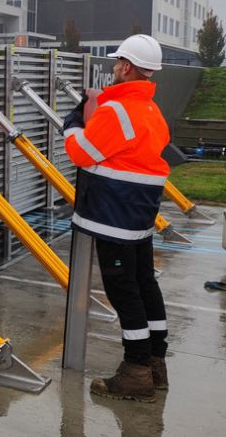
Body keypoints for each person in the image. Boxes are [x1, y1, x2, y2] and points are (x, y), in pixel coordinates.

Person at [62, 34, 170, 402]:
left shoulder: (115, 111)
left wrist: (75, 121)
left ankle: (136, 370)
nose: (113, 69)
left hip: (113, 214)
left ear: (126, 67)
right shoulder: (151, 110)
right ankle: (156, 362)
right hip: (140, 212)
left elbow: (82, 152)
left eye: (117, 63)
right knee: (144, 283)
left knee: (123, 289)